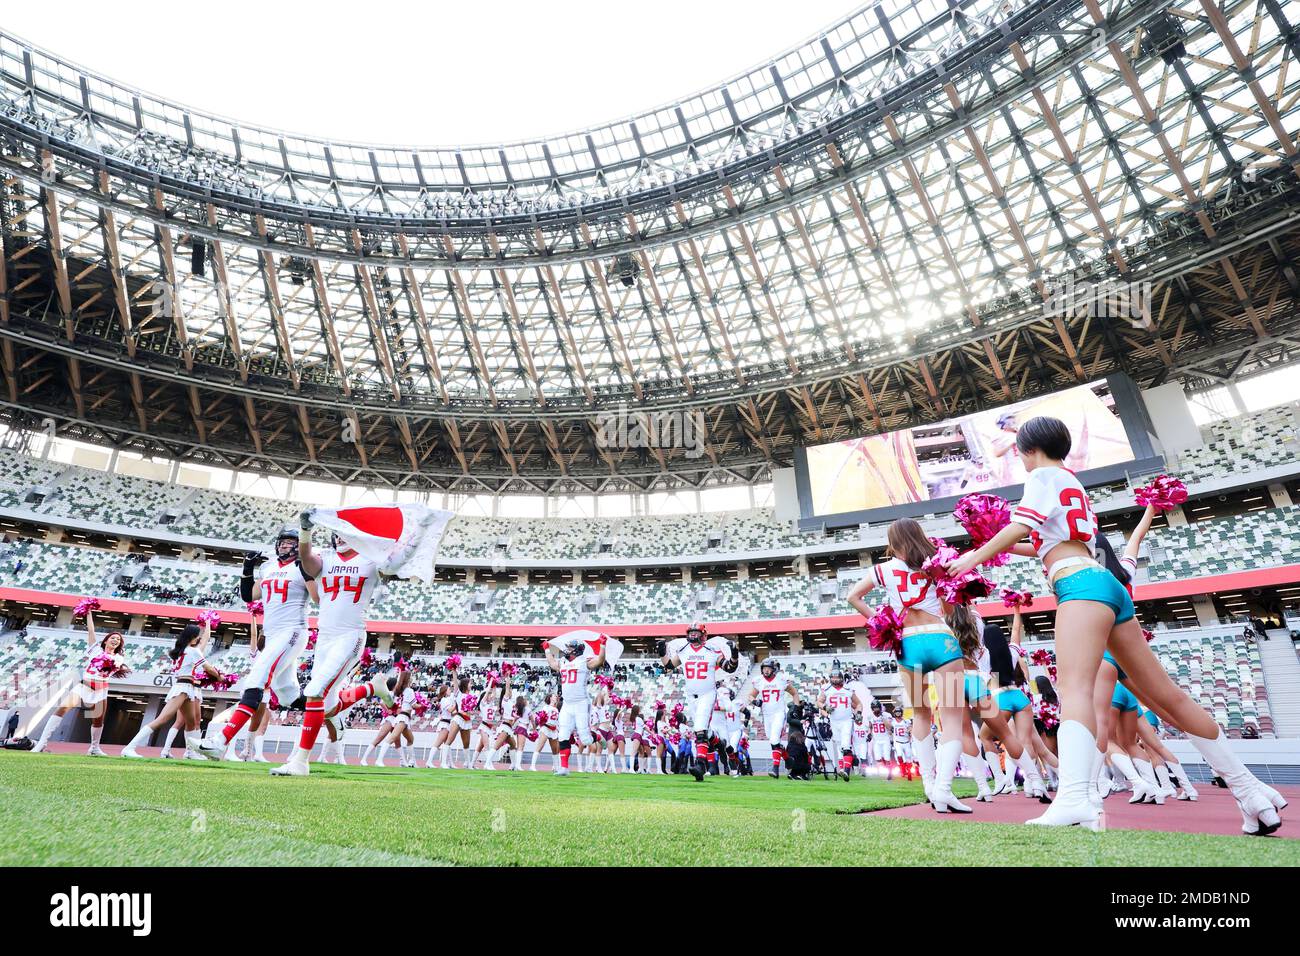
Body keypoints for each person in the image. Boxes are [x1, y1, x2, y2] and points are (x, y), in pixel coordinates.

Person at [945, 415, 1284, 834]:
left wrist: (970, 557)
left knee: (1074, 691)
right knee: (1167, 696)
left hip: (1079, 586)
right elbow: (1045, 544)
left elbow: (1025, 525)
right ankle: (1250, 791)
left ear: (1026, 450)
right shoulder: (1071, 483)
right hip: (1106, 585)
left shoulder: (1041, 477)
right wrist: (999, 546)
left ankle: (1073, 799)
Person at [848, 518, 969, 812]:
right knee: (952, 718)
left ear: (893, 540)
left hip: (908, 641)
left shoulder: (883, 569)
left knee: (921, 714)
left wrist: (880, 620)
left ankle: (929, 785)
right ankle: (943, 789)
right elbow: (949, 609)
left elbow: (853, 596)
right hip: (941, 639)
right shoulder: (936, 564)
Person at [271, 512, 396, 776]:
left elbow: (395, 564)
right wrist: (305, 532)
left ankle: (300, 761)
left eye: (346, 531)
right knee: (325, 706)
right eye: (337, 531)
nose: (340, 536)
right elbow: (305, 559)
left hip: (350, 636)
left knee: (314, 691)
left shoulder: (370, 560)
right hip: (325, 638)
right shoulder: (325, 559)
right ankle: (371, 688)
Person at [201, 528, 316, 759]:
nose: (284, 546)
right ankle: (334, 711)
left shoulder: (304, 566)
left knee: (256, 680)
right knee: (288, 696)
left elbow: (317, 597)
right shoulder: (270, 567)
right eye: (282, 542)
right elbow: (249, 596)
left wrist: (311, 570)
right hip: (274, 634)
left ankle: (221, 741)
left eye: (290, 543)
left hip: (292, 631)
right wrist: (247, 569)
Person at [32, 607, 127, 756]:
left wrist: (107, 666)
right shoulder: (95, 650)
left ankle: (94, 748)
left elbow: (107, 670)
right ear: (106, 640)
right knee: (62, 709)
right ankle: (41, 743)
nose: (115, 640)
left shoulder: (119, 658)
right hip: (85, 685)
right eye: (113, 638)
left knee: (97, 721)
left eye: (118, 640)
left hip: (101, 689)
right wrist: (89, 613)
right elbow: (91, 631)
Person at [122, 620, 219, 758]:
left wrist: (207, 624)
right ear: (191, 637)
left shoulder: (182, 651)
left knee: (191, 722)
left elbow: (205, 640)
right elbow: (208, 668)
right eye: (197, 636)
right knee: (163, 719)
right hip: (183, 687)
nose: (199, 638)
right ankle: (129, 747)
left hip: (187, 687)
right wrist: (220, 677)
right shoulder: (192, 651)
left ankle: (191, 752)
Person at [659, 622, 739, 782]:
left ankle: (700, 765)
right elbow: (668, 667)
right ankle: (721, 747)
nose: (693, 635)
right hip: (691, 696)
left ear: (703, 635)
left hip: (707, 694)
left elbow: (729, 668)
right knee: (706, 732)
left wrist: (734, 654)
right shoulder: (683, 650)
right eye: (691, 632)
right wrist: (662, 653)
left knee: (700, 729)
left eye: (696, 632)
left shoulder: (712, 650)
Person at [546, 634, 608, 776]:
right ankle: (564, 768)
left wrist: (602, 646)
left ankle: (598, 737)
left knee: (585, 739)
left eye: (570, 648)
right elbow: (552, 664)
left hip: (581, 703)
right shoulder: (563, 662)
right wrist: (547, 650)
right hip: (567, 704)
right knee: (562, 735)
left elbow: (600, 659)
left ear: (577, 650)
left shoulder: (584, 661)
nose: (567, 650)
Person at [745, 658, 800, 778]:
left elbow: (795, 693)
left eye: (768, 668)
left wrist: (796, 707)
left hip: (779, 713)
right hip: (767, 714)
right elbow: (750, 695)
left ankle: (775, 769)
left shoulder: (781, 680)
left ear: (774, 669)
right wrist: (755, 701)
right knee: (773, 741)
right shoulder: (759, 681)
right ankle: (787, 759)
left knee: (774, 738)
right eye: (764, 668)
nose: (766, 670)